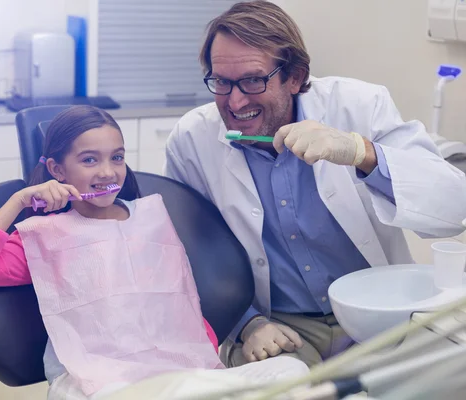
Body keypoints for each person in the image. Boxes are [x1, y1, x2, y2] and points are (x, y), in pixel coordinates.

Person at [164, 0, 466, 369]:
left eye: (253, 80)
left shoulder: (360, 105)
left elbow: (454, 208)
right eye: (221, 82)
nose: (234, 100)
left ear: (294, 76)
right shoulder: (192, 139)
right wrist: (247, 324)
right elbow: (188, 251)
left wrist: (363, 154)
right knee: (284, 389)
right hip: (278, 327)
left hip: (376, 310)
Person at [0, 105, 309, 400]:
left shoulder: (152, 218)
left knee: (293, 372)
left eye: (117, 157)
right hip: (97, 382)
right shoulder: (44, 237)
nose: (108, 172)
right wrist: (17, 202)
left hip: (177, 375)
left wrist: (197, 358)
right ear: (57, 170)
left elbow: (177, 303)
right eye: (89, 160)